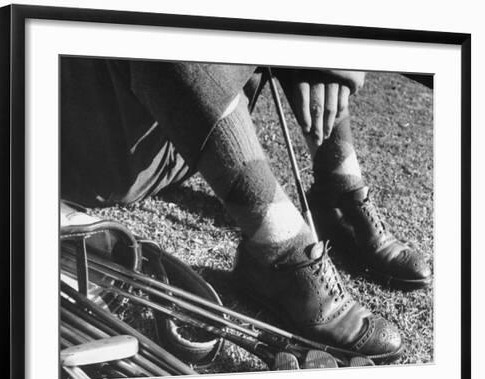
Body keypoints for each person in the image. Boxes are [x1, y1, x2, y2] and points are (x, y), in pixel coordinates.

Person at [61, 58, 432, 362]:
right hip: (100, 156)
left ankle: (339, 194)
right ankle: (281, 249)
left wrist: (325, 55)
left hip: (177, 144)